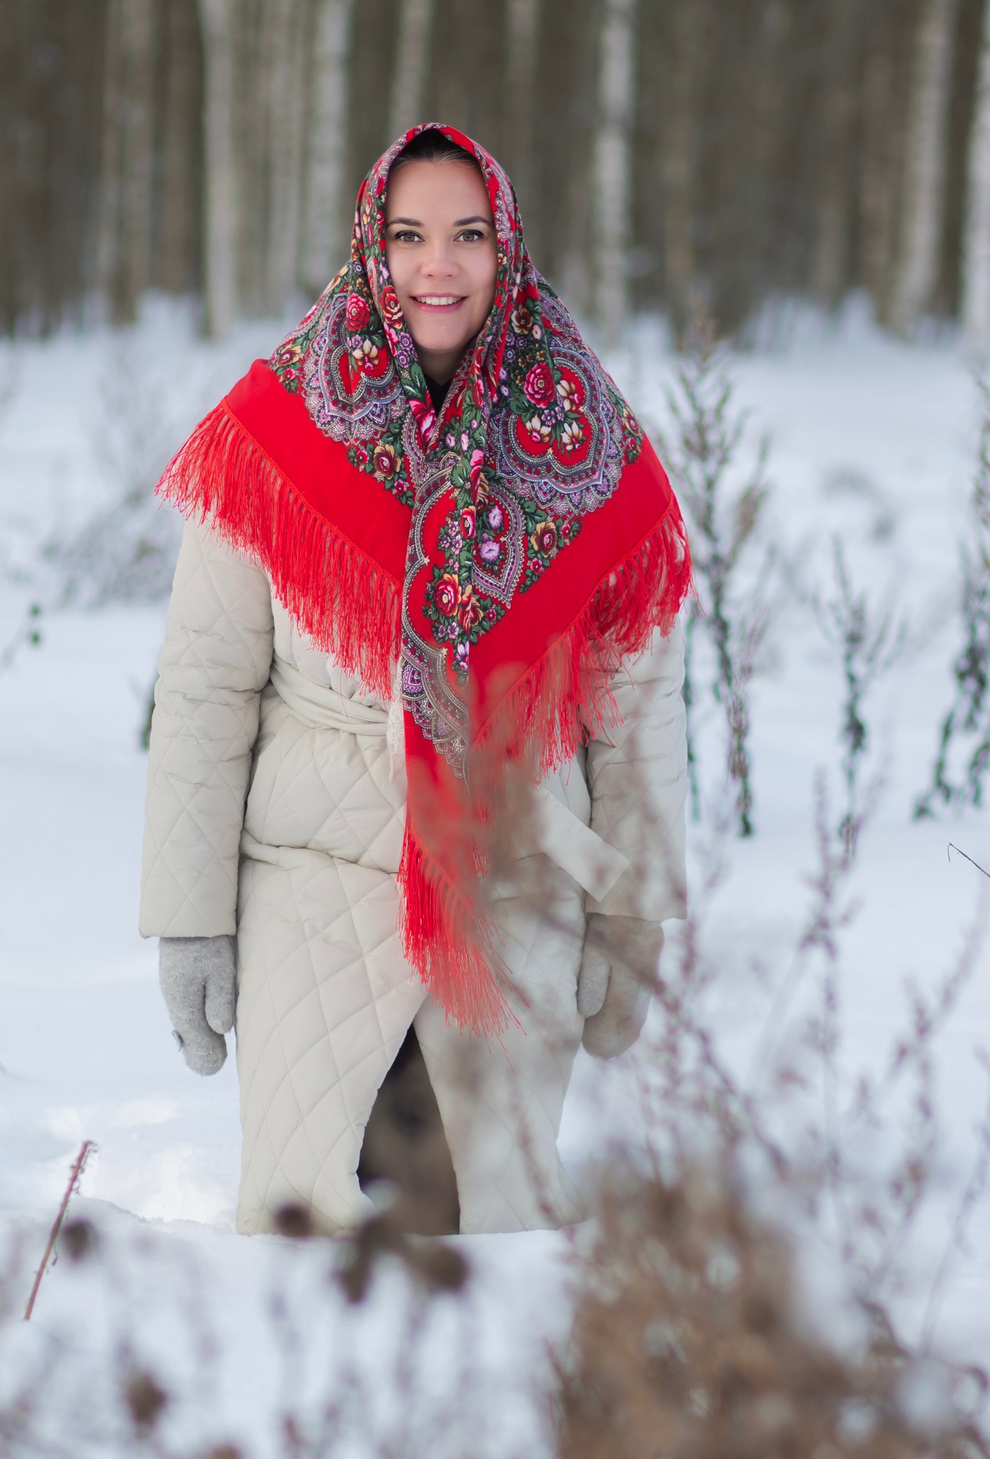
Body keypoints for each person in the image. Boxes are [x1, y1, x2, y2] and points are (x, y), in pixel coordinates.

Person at [140, 124, 691, 1236]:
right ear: (369, 247)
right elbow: (204, 685)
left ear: (508, 248)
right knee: (301, 1253)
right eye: (408, 235)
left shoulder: (589, 441)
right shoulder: (276, 430)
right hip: (315, 894)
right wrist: (189, 919)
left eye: (467, 235)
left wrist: (631, 918)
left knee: (495, 1262)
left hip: (514, 898)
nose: (437, 265)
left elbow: (634, 704)